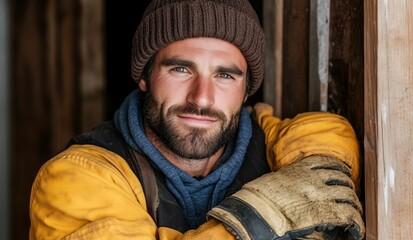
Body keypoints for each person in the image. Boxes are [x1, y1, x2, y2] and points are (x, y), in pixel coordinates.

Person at [29, 0, 365, 239]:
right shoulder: (75, 177)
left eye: (225, 76)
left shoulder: (277, 145)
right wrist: (255, 219)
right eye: (181, 69)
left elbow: (328, 131)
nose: (201, 98)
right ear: (144, 77)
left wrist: (323, 163)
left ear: (246, 90)